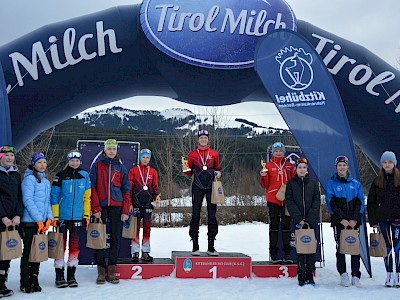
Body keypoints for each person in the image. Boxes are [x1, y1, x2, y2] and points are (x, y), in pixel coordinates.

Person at [90, 139, 130, 284]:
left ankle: (111, 271)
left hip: (117, 207)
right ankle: (101, 271)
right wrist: (95, 208)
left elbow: (126, 190)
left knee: (115, 238)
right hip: (101, 207)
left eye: (114, 149)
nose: (112, 151)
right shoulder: (97, 165)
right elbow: (92, 188)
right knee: (100, 239)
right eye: (109, 149)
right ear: (104, 150)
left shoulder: (121, 167)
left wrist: (125, 210)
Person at [50, 150, 91, 288]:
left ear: (80, 161)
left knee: (74, 247)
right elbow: (54, 197)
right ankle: (59, 276)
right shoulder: (60, 175)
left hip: (78, 217)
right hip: (62, 216)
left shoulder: (84, 175)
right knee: (60, 246)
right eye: (72, 160)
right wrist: (55, 216)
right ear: (68, 161)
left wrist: (86, 215)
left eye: (77, 160)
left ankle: (71, 275)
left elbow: (87, 198)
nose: (75, 163)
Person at [326, 155, 365, 288]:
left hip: (354, 222)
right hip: (340, 222)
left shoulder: (355, 184)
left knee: (355, 248)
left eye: (344, 165)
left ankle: (355, 275)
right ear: (336, 167)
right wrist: (342, 219)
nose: (342, 167)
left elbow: (360, 202)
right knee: (340, 248)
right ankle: (343, 274)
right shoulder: (331, 183)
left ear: (347, 167)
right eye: (339, 165)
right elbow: (331, 203)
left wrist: (354, 219)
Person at [182, 129, 222, 256]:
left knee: (212, 216)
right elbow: (188, 172)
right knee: (195, 215)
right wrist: (185, 169)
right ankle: (195, 245)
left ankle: (211, 246)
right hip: (197, 186)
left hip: (211, 187)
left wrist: (219, 173)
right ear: (198, 140)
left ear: (208, 139)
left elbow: (218, 169)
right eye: (201, 138)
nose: (203, 140)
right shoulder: (193, 154)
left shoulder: (214, 153)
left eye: (205, 138)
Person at [20, 152, 53, 293]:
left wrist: (49, 218)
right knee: (28, 252)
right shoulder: (29, 180)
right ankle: (25, 282)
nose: (42, 165)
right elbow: (28, 201)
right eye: (39, 162)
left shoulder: (45, 182)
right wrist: (38, 219)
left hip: (42, 223)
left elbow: (47, 203)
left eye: (44, 162)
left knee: (37, 252)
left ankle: (35, 279)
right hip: (30, 222)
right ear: (34, 164)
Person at [285, 157, 320, 286]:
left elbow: (316, 202)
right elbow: (289, 201)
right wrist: (299, 218)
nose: (302, 170)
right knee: (299, 248)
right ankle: (301, 274)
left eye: (304, 167)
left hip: (311, 222)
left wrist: (309, 219)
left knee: (310, 248)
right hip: (298, 221)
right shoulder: (291, 184)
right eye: (299, 167)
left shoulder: (313, 184)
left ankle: (310, 275)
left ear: (307, 169)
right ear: (296, 169)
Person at [367, 151, 400, 287]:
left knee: (398, 247)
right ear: (382, 164)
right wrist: (373, 220)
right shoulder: (377, 181)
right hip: (382, 220)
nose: (387, 165)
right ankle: (389, 274)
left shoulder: (399, 179)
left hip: (397, 219)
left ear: (394, 164)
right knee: (386, 247)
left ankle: (398, 275)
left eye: (389, 162)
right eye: (385, 162)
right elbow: (371, 202)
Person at [259, 142, 296, 264]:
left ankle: (287, 253)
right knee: (274, 226)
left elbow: (294, 181)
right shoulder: (268, 166)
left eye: (280, 151)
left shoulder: (289, 166)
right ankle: (274, 253)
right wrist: (263, 176)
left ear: (284, 152)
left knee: (286, 227)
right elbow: (264, 185)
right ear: (272, 153)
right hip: (273, 199)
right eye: (276, 151)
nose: (278, 153)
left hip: (286, 200)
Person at [128, 149, 160, 263]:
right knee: (135, 228)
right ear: (140, 158)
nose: (145, 159)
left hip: (148, 204)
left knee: (147, 228)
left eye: (147, 157)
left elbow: (155, 188)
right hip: (136, 203)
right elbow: (129, 189)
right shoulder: (133, 171)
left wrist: (155, 200)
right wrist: (130, 203)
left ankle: (146, 251)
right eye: (143, 157)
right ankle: (135, 252)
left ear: (149, 158)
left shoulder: (153, 172)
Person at [0, 146, 23, 297]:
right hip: (1, 218)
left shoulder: (15, 174)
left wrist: (18, 215)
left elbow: (20, 197)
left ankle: (2, 282)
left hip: (13, 220)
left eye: (11, 156)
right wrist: (2, 216)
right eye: (6, 155)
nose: (9, 158)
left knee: (7, 251)